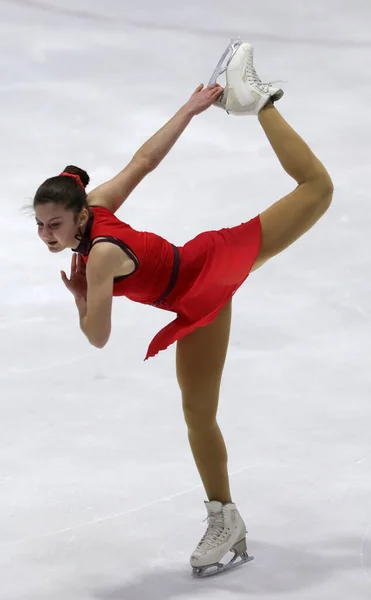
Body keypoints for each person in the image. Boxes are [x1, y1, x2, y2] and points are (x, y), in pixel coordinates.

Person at [33, 42, 333, 577]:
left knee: (317, 188)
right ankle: (225, 516)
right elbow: (144, 162)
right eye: (40, 225)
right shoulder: (95, 208)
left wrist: (84, 300)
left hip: (204, 272)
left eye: (54, 225)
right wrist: (188, 111)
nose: (46, 236)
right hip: (193, 290)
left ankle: (260, 101)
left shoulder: (99, 256)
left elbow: (98, 338)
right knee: (197, 413)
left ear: (78, 215)